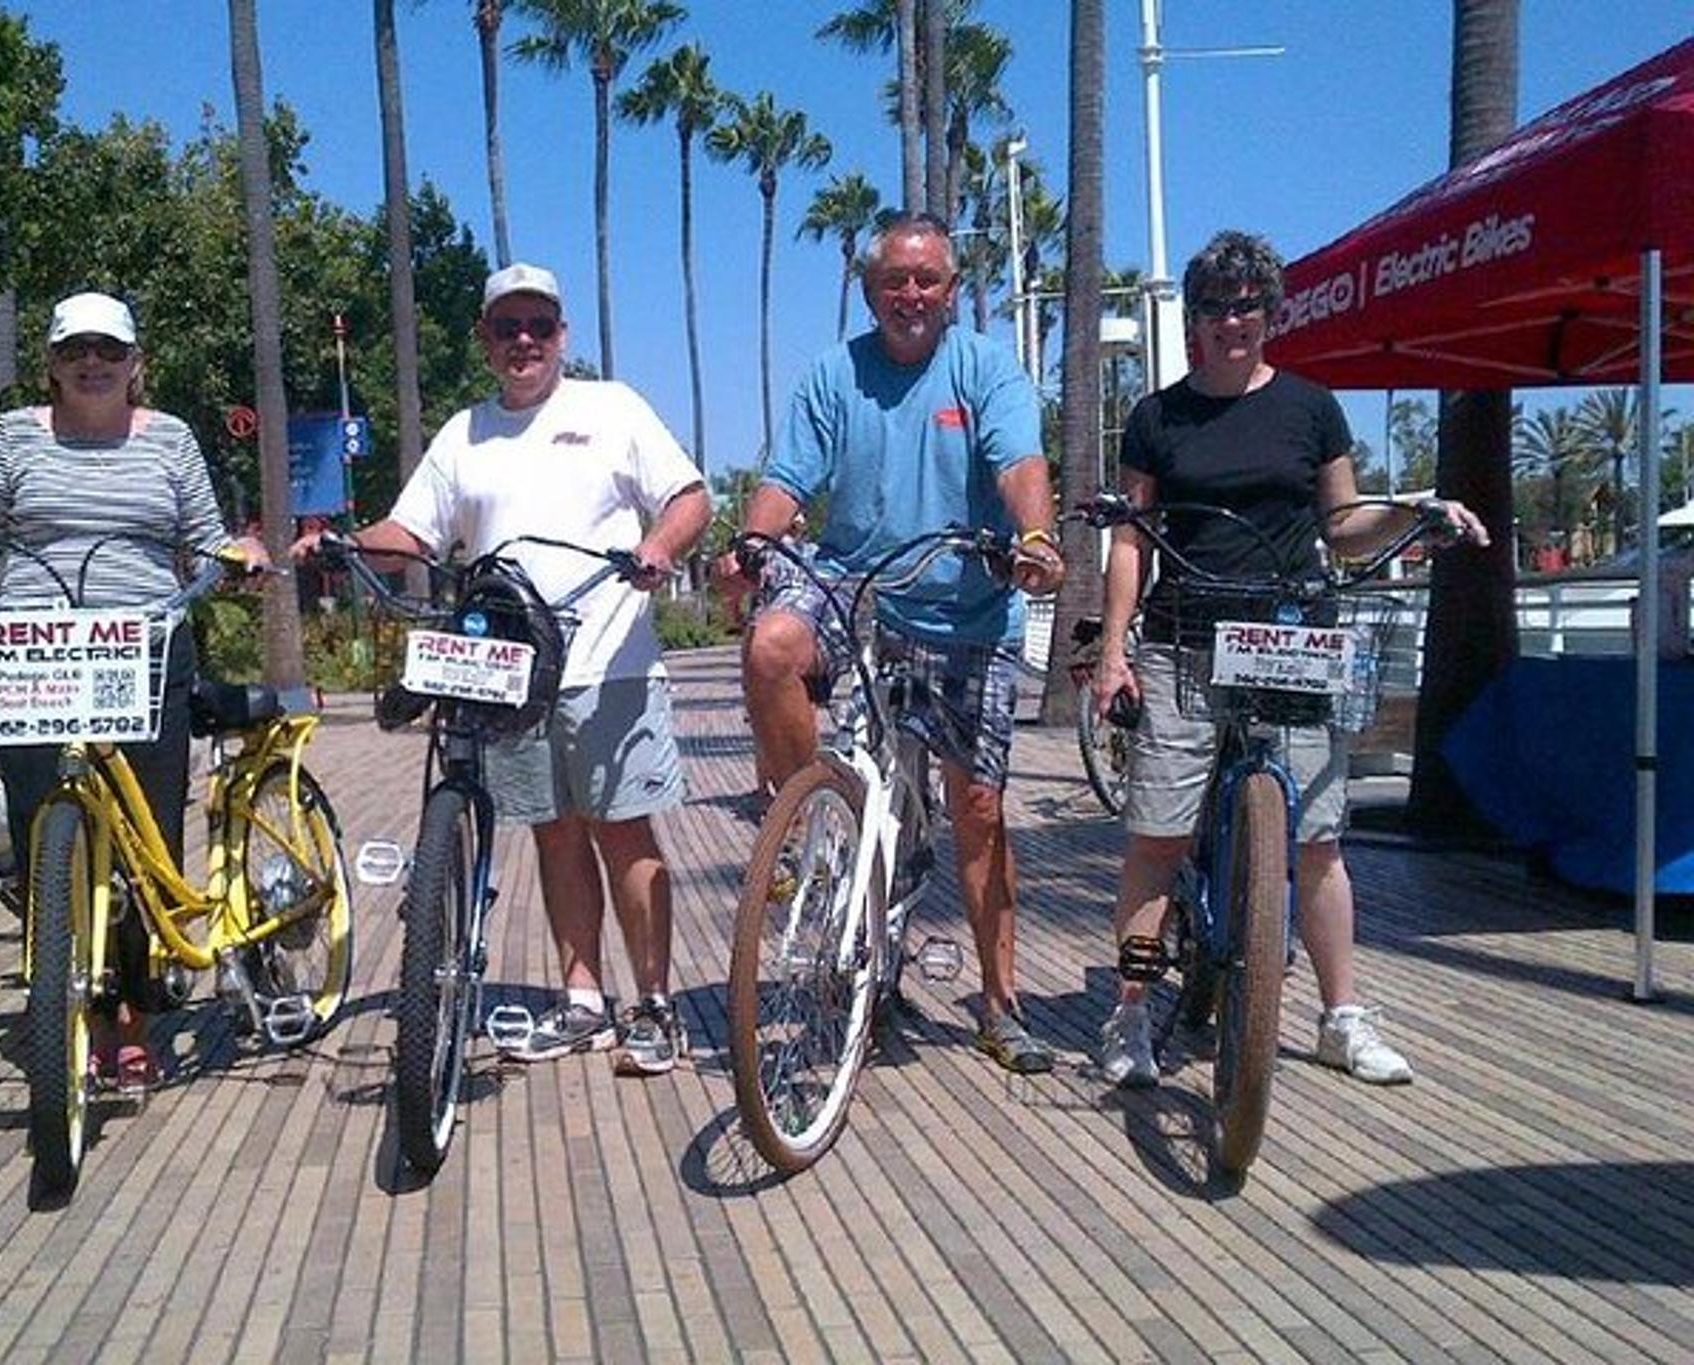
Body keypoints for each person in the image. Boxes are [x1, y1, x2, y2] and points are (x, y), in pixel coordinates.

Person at [1088, 230, 1488, 1089]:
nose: (1233, 320)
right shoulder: (1159, 417)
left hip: (1291, 638)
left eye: (1248, 305)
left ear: (1270, 313)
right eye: (1216, 306)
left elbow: (1342, 529)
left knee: (1318, 842)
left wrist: (1412, 508)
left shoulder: (1312, 408)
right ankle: (1128, 1012)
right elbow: (1132, 541)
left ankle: (1341, 1014)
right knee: (1158, 838)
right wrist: (1113, 650)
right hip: (1186, 639)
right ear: (1194, 318)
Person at [295, 262, 710, 1076]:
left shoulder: (612, 408)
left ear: (562, 336)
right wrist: (337, 542)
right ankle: (583, 1000)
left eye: (540, 326)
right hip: (509, 668)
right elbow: (412, 531)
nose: (524, 340)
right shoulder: (465, 432)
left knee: (623, 830)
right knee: (554, 832)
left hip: (606, 662)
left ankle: (655, 1005)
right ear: (485, 340)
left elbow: (690, 496)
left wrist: (659, 548)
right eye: (507, 327)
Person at [713, 212, 1066, 1074]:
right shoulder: (836, 375)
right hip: (854, 585)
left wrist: (1037, 539)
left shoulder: (986, 369)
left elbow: (1019, 463)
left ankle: (1000, 1001)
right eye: (893, 280)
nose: (910, 294)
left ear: (951, 289)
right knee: (770, 646)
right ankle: (809, 824)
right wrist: (751, 547)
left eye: (928, 280)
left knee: (978, 810)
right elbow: (787, 481)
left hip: (963, 603)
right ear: (869, 290)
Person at [0, 290, 269, 1095]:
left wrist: (234, 552)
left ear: (136, 364)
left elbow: (201, 539)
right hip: (33, 654)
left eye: (107, 349)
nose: (91, 363)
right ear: (52, 365)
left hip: (145, 645)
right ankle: (69, 1002)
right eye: (74, 351)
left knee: (147, 837)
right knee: (42, 838)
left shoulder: (168, 438)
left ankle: (133, 1018)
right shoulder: (15, 437)